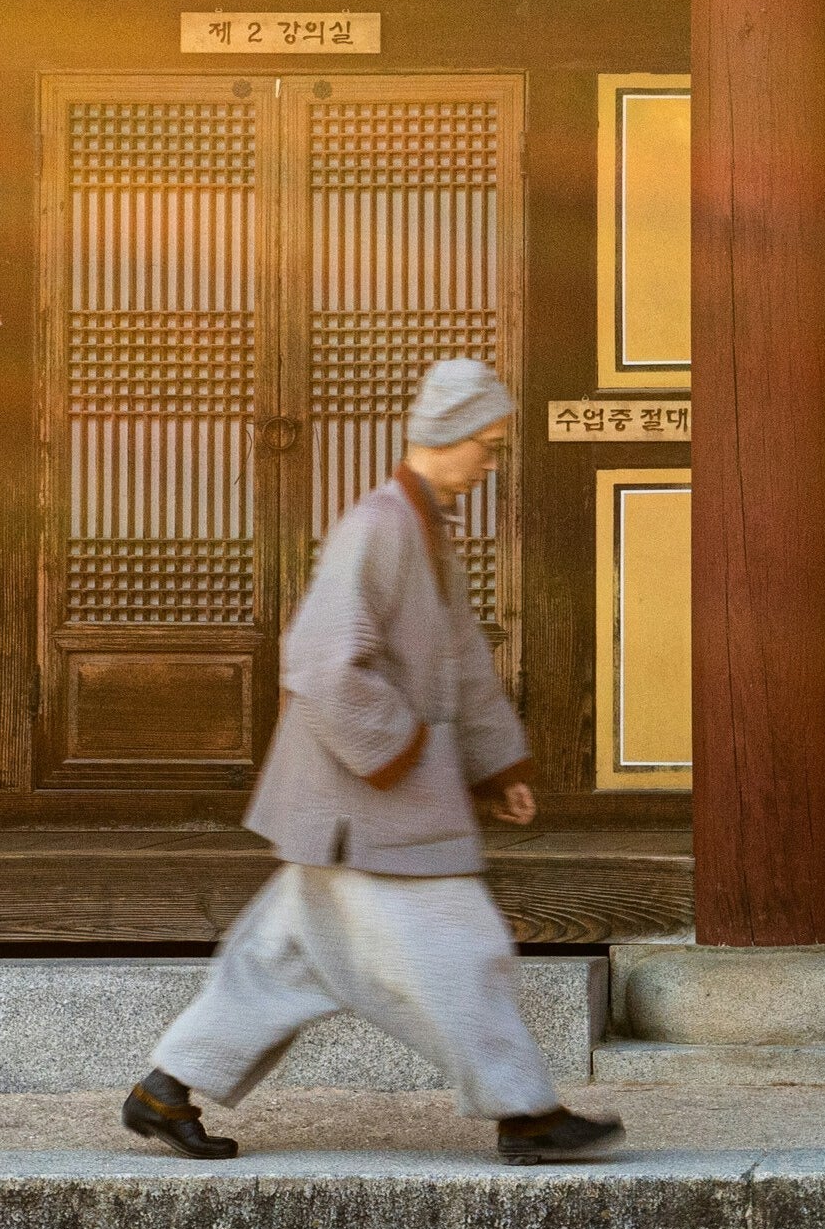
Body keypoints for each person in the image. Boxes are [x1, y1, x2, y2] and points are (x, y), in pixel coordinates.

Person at [121, 359, 624, 1165]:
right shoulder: (381, 526)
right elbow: (322, 664)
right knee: (463, 949)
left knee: (278, 961)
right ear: (448, 436)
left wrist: (498, 768)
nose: (491, 464)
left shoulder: (422, 530)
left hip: (352, 799)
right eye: (487, 447)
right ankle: (525, 1112)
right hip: (368, 800)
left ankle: (164, 1090)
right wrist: (411, 755)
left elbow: (459, 662)